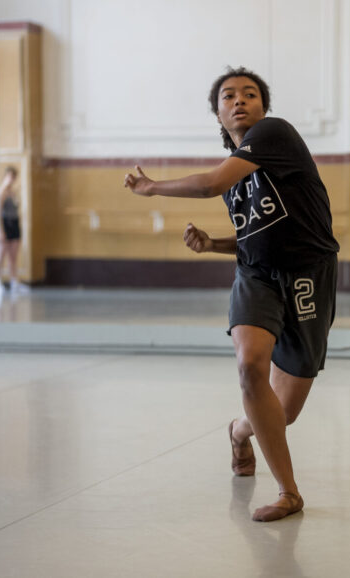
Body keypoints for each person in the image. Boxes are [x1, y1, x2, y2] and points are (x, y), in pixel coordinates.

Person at [124, 67, 339, 522]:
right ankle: (289, 493)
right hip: (256, 275)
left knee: (284, 412)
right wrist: (215, 244)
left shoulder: (274, 134)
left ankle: (240, 433)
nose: (239, 100)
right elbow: (255, 236)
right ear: (218, 114)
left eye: (250, 94)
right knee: (249, 365)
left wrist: (152, 187)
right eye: (228, 96)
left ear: (263, 107)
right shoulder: (237, 171)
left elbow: (210, 184)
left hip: (307, 276)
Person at [0, 166, 23, 297]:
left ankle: (13, 281)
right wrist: (0, 230)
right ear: (6, 176)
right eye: (11, 176)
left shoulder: (13, 192)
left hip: (14, 224)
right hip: (3, 224)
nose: (12, 179)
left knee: (13, 256)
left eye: (14, 177)